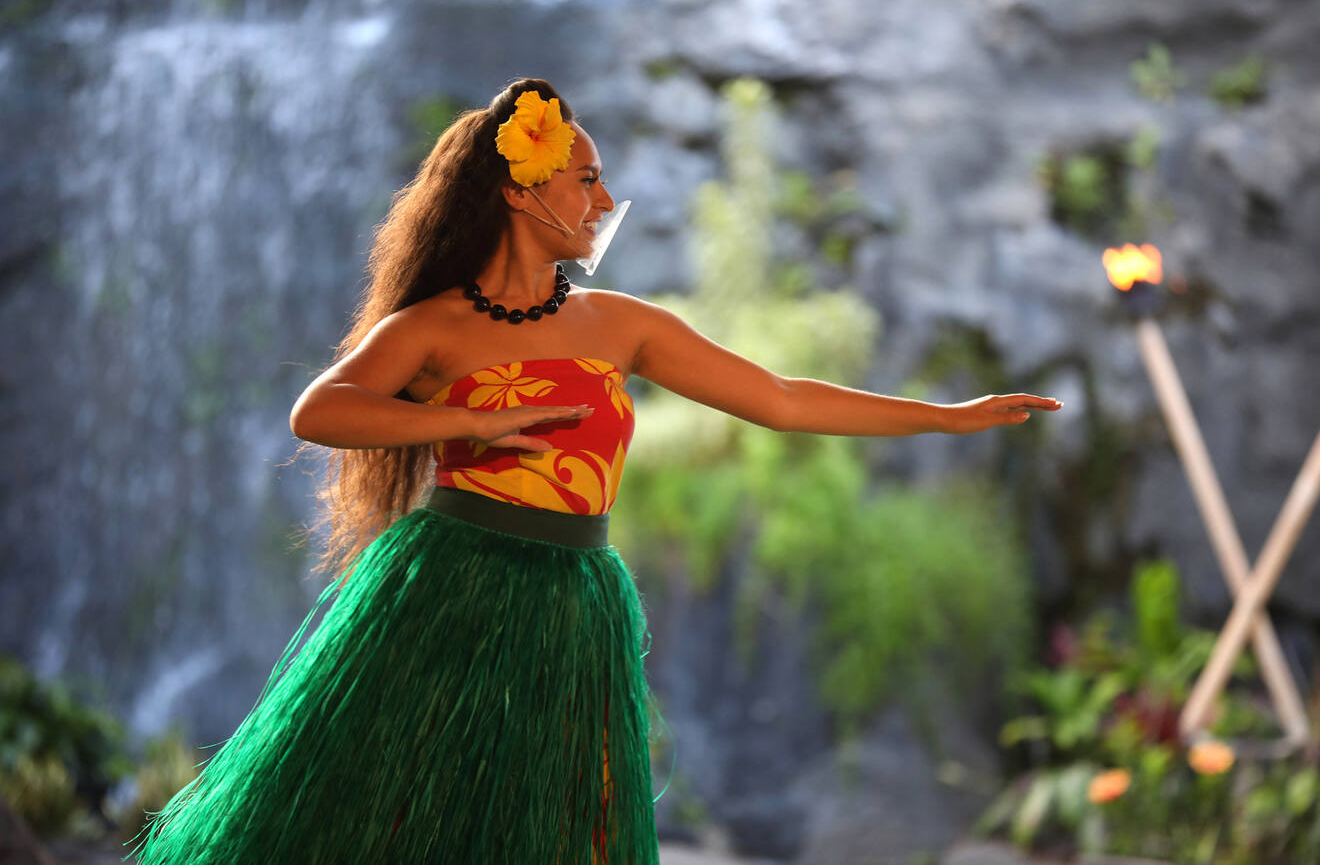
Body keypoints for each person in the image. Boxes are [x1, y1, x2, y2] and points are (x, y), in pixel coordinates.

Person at [130, 77, 1062, 865]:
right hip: (446, 587)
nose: (602, 199)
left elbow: (779, 397)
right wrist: (466, 416)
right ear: (521, 191)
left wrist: (945, 417)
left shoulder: (620, 323)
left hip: (574, 598)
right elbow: (319, 411)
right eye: (586, 178)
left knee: (559, 823)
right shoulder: (433, 326)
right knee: (399, 807)